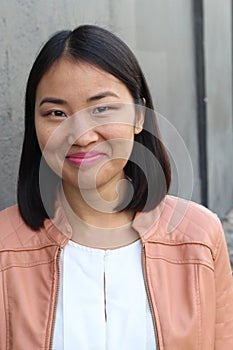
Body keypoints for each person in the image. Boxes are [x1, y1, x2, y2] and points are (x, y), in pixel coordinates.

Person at [0, 24, 232, 350]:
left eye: (101, 109)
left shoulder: (200, 237)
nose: (81, 136)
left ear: (139, 115)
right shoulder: (4, 247)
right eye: (56, 113)